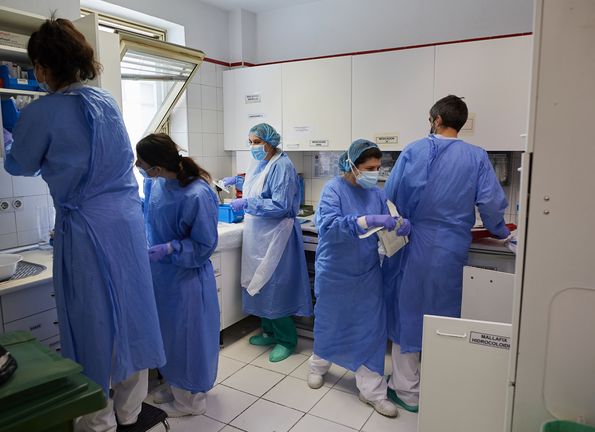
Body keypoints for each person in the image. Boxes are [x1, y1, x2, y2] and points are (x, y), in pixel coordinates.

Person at [3, 17, 166, 432]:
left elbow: (18, 164)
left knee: (91, 324)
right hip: (126, 224)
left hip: (87, 231)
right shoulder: (106, 101)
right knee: (130, 316)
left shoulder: (44, 112)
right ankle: (130, 413)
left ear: (40, 67)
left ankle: (97, 422)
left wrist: (14, 128)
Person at [382, 95, 510, 412]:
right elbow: (492, 206)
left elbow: (390, 195)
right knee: (444, 314)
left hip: (412, 244)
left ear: (436, 119)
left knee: (407, 312)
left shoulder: (414, 149)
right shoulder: (477, 156)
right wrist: (503, 231)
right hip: (451, 247)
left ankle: (407, 391)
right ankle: (442, 383)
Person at [308, 140, 410, 418]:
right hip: (335, 273)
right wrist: (365, 221)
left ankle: (372, 390)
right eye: (369, 168)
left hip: (366, 273)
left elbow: (388, 223)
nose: (375, 173)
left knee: (371, 329)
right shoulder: (333, 189)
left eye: (378, 168)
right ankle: (318, 366)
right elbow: (328, 227)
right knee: (331, 322)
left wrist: (400, 224)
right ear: (351, 165)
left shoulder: (376, 193)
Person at [135, 133, 221, 418]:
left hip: (186, 277)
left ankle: (191, 402)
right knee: (169, 337)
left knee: (188, 340)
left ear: (157, 166)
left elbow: (204, 245)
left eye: (141, 161)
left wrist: (171, 247)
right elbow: (150, 213)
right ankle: (176, 387)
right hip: (162, 277)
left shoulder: (198, 193)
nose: (137, 165)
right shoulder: (156, 182)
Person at [222, 123, 313, 362]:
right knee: (258, 283)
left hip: (277, 236)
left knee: (275, 287)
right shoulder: (261, 163)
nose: (252, 146)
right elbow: (258, 186)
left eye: (256, 142)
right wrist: (237, 182)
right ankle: (269, 331)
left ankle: (286, 339)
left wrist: (247, 204)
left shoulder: (283, 165)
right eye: (250, 142)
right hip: (258, 234)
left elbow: (281, 204)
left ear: (269, 143)